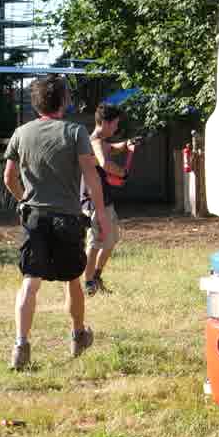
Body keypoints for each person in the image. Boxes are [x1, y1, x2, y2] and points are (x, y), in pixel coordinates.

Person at [1, 75, 108, 369]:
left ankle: (21, 347)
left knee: (29, 283)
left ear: (36, 102)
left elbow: (8, 178)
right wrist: (100, 216)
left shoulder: (21, 133)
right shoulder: (75, 132)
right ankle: (77, 336)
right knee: (72, 279)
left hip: (34, 218)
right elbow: (91, 178)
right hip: (68, 219)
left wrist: (24, 199)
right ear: (63, 101)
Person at [80, 102, 136, 296]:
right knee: (95, 244)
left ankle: (96, 276)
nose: (116, 128)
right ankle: (88, 283)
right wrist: (123, 173)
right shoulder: (93, 141)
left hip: (105, 200)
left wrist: (127, 144)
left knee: (110, 240)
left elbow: (112, 148)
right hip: (93, 202)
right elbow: (104, 162)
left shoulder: (102, 142)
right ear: (104, 122)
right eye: (114, 124)